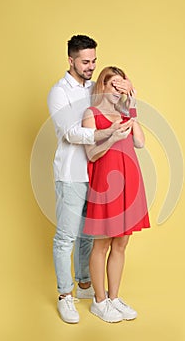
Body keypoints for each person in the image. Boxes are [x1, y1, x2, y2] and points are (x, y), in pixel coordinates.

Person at [47, 35, 133, 323]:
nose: (91, 66)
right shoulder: (59, 92)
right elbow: (71, 133)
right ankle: (65, 295)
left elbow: (116, 109)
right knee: (66, 237)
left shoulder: (94, 89)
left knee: (90, 236)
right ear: (70, 60)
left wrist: (129, 92)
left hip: (97, 176)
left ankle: (86, 285)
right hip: (72, 174)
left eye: (94, 61)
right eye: (85, 61)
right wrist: (105, 133)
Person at [82, 66, 150, 323]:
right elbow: (91, 153)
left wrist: (132, 110)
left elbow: (140, 143)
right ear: (102, 85)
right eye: (114, 86)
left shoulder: (125, 114)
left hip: (129, 184)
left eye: (122, 87)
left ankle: (113, 297)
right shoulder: (92, 113)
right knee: (102, 244)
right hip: (106, 187)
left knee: (121, 242)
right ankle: (99, 301)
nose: (117, 92)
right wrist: (111, 137)